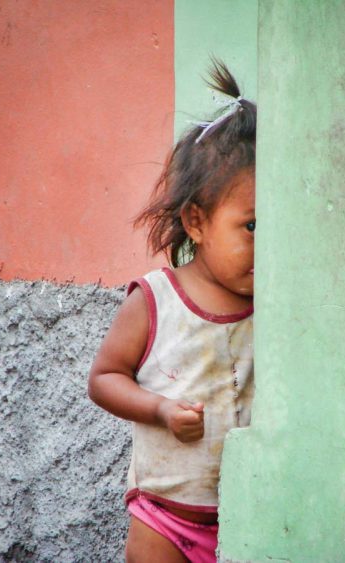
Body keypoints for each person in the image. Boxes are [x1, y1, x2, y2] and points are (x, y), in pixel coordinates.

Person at [87, 59, 256, 563]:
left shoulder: (278, 307)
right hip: (164, 516)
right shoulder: (156, 300)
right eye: (253, 226)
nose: (270, 244)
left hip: (250, 516)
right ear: (197, 222)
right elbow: (104, 379)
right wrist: (161, 410)